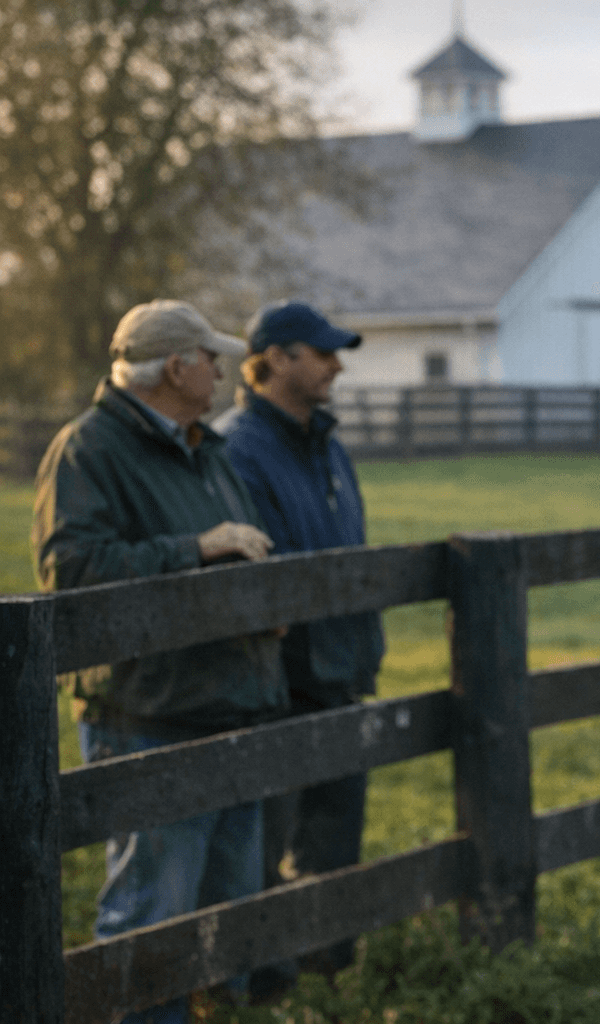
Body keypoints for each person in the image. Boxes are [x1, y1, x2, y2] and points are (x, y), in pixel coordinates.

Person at [32, 299, 286, 1024]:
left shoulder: (204, 445)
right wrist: (195, 549)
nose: (222, 370)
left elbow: (238, 547)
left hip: (228, 698)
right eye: (211, 358)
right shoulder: (88, 450)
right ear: (177, 367)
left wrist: (259, 600)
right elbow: (71, 575)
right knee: (152, 910)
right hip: (149, 714)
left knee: (224, 913)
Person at [214, 301, 383, 999]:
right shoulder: (236, 449)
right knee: (263, 843)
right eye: (322, 353)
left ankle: (325, 977)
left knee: (334, 836)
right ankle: (265, 989)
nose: (337, 365)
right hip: (278, 682)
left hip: (339, 670)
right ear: (277, 357)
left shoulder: (326, 443)